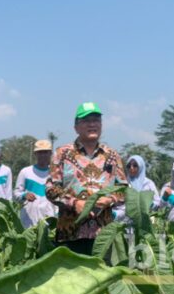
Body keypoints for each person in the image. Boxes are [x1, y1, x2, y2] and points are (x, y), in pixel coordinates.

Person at [46, 102, 126, 255]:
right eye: (86, 121)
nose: (92, 124)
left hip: (103, 236)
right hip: (70, 235)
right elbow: (50, 188)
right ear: (76, 127)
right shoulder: (63, 154)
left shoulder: (112, 156)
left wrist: (110, 199)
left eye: (96, 120)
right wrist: (74, 203)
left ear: (101, 125)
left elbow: (125, 189)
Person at [14, 140, 57, 228]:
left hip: (49, 219)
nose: (43, 155)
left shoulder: (55, 174)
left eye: (45, 152)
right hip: (28, 221)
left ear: (50, 154)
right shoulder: (25, 172)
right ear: (35, 154)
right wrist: (24, 195)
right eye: (40, 152)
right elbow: (15, 194)